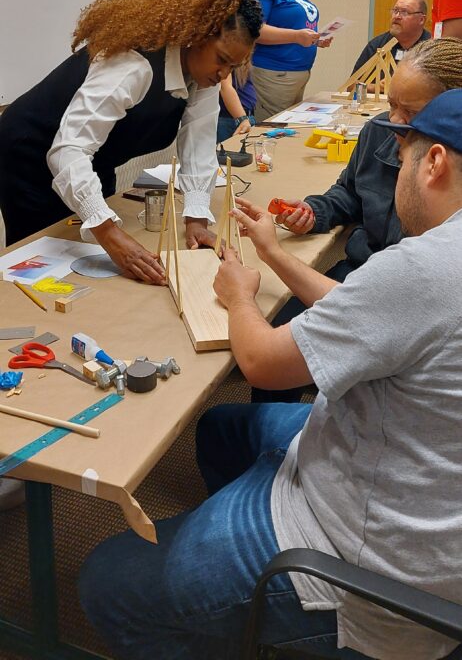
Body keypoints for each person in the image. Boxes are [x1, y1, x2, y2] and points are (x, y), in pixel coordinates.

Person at [79, 89, 462, 660]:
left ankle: (251, 601)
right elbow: (373, 314)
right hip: (397, 476)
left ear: (433, 162)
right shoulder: (436, 266)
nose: (396, 171)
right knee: (222, 429)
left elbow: (261, 363)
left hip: (374, 566)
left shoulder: (425, 267)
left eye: (402, 157)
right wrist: (273, 253)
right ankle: (233, 594)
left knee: (108, 581)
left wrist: (238, 298)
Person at [0, 0, 262, 284]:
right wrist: (109, 234)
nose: (224, 75)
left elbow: (199, 143)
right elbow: (68, 151)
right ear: (196, 35)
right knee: (48, 268)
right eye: (221, 59)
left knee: (95, 262)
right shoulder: (133, 65)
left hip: (93, 159)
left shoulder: (204, 75)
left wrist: (196, 219)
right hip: (30, 154)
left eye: (233, 66)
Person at [272, 36, 462, 284]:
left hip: (411, 284)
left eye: (411, 112)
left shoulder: (455, 169)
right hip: (360, 270)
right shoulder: (378, 131)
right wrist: (314, 212)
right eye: (392, 104)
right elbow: (350, 191)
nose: (394, 120)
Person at [243, 0, 332, 122]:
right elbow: (255, 29)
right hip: (274, 75)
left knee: (289, 128)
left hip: (295, 75)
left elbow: (290, 24)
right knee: (274, 130)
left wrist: (315, 39)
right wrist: (297, 37)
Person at [350, 0, 429, 77]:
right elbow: (354, 83)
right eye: (395, 11)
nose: (397, 16)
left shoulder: (433, 48)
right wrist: (378, 85)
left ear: (421, 19)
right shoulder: (377, 45)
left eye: (404, 12)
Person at [216, 63, 256, 143]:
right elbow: (225, 87)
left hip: (244, 117)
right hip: (231, 119)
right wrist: (242, 119)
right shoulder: (226, 61)